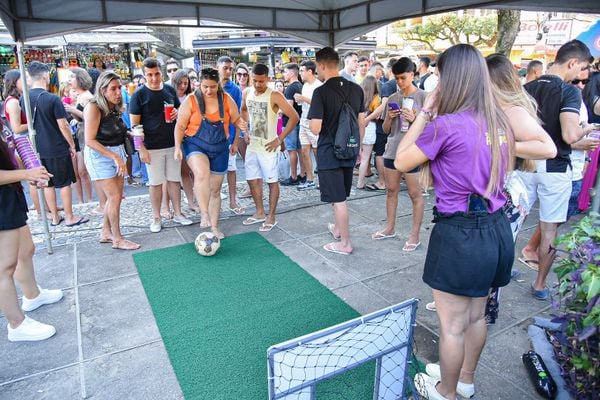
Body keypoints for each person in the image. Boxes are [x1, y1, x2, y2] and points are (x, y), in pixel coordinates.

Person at [395, 44, 555, 400]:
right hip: (497, 229)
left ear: (450, 79)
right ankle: (464, 380)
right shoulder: (499, 120)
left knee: (451, 328)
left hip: (461, 233)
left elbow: (402, 160)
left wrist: (424, 113)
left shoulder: (447, 126)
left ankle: (446, 392)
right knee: (477, 316)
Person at [519, 40, 593, 300]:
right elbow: (570, 134)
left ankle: (500, 274)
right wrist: (587, 128)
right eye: (581, 68)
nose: (580, 76)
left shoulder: (524, 89)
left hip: (523, 164)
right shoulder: (568, 92)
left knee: (510, 223)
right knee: (549, 229)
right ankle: (539, 284)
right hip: (555, 165)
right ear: (572, 63)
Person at [0, 136, 63, 342]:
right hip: (2, 201)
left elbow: (9, 154)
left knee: (26, 250)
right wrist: (27, 173)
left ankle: (33, 295)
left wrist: (30, 170)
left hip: (10, 194)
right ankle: (16, 324)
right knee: (5, 268)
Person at [175, 68, 247, 238]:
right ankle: (203, 213)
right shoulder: (191, 101)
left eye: (212, 87)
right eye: (205, 86)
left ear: (218, 85)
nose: (208, 90)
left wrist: (241, 127)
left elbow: (236, 119)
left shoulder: (227, 99)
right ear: (199, 84)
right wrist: (178, 146)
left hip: (220, 147)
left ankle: (214, 226)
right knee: (201, 174)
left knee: (215, 190)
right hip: (195, 144)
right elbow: (180, 126)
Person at [308, 47, 365, 255]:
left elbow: (315, 127)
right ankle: (338, 229)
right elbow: (361, 122)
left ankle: (346, 243)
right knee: (340, 194)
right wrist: (357, 147)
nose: (317, 70)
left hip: (329, 151)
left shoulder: (320, 92)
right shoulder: (356, 89)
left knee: (338, 199)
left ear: (322, 65)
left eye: (316, 66)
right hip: (350, 148)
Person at [22, 61, 89, 227]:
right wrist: (71, 145)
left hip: (38, 147)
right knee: (65, 183)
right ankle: (69, 216)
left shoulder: (23, 98)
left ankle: (54, 217)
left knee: (47, 184)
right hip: (57, 146)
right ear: (45, 75)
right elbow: (63, 125)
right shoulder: (52, 99)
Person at [129, 57, 193, 233]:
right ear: (144, 75)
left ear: (161, 72)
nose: (154, 78)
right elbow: (134, 126)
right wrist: (140, 148)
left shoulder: (169, 90)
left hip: (172, 143)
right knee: (156, 183)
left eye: (156, 74)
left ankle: (178, 213)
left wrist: (177, 113)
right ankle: (156, 217)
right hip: (151, 147)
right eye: (150, 75)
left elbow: (180, 111)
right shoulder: (138, 95)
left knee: (174, 180)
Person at [372, 58, 426, 251]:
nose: (400, 82)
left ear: (413, 74)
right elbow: (386, 130)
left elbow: (431, 131)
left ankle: (414, 236)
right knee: (391, 191)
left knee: (415, 194)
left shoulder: (424, 97)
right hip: (392, 150)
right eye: (396, 78)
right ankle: (390, 228)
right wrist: (389, 117)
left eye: (403, 78)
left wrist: (415, 120)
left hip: (412, 152)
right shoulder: (393, 98)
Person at [84, 71, 140, 250]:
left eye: (119, 88)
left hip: (115, 152)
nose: (118, 93)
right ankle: (117, 238)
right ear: (102, 90)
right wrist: (115, 157)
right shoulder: (93, 107)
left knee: (114, 198)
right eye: (113, 89)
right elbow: (89, 140)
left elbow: (119, 129)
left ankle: (106, 232)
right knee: (115, 197)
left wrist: (132, 134)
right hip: (101, 155)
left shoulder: (113, 107)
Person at [241, 63, 299, 232]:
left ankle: (271, 216)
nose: (258, 84)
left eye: (261, 81)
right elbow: (243, 109)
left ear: (267, 79)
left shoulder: (274, 95)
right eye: (255, 81)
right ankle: (259, 212)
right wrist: (245, 131)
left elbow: (294, 117)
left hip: (268, 147)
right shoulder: (247, 92)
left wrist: (280, 139)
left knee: (272, 182)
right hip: (252, 145)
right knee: (252, 180)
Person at [3, 69, 48, 220]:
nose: (28, 81)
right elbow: (16, 128)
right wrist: (34, 121)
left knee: (36, 176)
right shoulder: (13, 102)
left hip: (25, 141)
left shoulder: (17, 99)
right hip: (23, 141)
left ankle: (44, 207)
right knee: (34, 176)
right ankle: (42, 211)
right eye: (24, 78)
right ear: (14, 82)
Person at [216, 56, 245, 216]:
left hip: (229, 137)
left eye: (230, 68)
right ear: (218, 67)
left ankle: (233, 200)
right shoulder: (210, 86)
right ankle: (216, 202)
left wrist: (235, 140)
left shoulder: (234, 89)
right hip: (213, 138)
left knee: (231, 169)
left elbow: (238, 117)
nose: (228, 71)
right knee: (215, 172)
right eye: (225, 67)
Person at [64, 67, 95, 207]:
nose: (69, 80)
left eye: (72, 77)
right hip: (81, 137)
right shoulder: (80, 96)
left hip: (87, 138)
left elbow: (90, 117)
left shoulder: (87, 97)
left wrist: (72, 110)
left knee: (86, 171)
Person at [295, 60, 322, 190]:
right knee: (305, 151)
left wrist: (303, 98)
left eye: (302, 71)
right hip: (304, 121)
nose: (300, 73)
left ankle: (323, 179)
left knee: (318, 152)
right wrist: (299, 99)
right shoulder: (304, 85)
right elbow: (304, 104)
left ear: (310, 71)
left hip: (314, 122)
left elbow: (320, 104)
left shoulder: (319, 86)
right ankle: (310, 179)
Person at [281, 63, 304, 186]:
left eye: (285, 72)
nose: (284, 74)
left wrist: (277, 110)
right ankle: (303, 174)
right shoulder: (301, 85)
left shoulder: (290, 88)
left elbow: (288, 108)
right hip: (300, 122)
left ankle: (294, 176)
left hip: (290, 123)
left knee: (291, 150)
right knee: (300, 150)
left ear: (291, 73)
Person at [356, 75, 381, 190]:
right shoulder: (376, 98)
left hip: (358, 126)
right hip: (370, 127)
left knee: (360, 156)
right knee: (366, 158)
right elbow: (378, 114)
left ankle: (357, 181)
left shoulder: (359, 96)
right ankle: (360, 183)